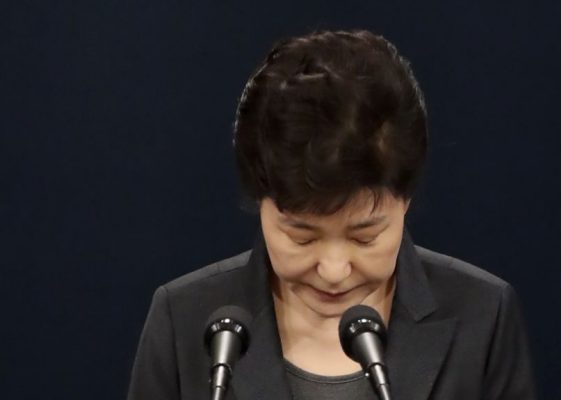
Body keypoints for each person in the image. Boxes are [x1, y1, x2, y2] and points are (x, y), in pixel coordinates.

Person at [126, 29, 537, 400]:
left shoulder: (482, 315)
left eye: (364, 237)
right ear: (259, 202)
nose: (334, 270)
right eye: (302, 237)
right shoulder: (183, 319)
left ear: (406, 199)